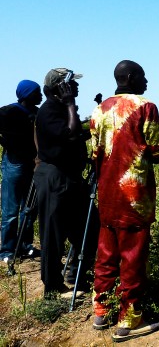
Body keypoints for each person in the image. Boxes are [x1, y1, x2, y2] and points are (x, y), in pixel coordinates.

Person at [89, 60, 159, 342]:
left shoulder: (99, 109)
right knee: (133, 257)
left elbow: (96, 152)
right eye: (143, 76)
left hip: (108, 194)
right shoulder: (146, 107)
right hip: (134, 197)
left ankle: (100, 311)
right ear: (129, 77)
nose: (146, 81)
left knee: (106, 254)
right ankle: (129, 320)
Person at [34, 68, 94, 297]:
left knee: (89, 228)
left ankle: (76, 274)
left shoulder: (60, 109)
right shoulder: (49, 111)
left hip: (70, 177)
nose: (76, 87)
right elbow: (69, 133)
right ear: (60, 87)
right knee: (53, 234)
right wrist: (70, 103)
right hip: (54, 177)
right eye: (71, 84)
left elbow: (77, 133)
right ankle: (52, 287)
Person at [0, 80, 43, 264]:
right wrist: (7, 144)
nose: (40, 95)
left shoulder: (37, 113)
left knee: (30, 208)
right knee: (10, 211)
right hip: (14, 163)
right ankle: (7, 250)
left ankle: (24, 245)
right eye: (37, 92)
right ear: (27, 94)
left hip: (32, 165)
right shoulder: (9, 111)